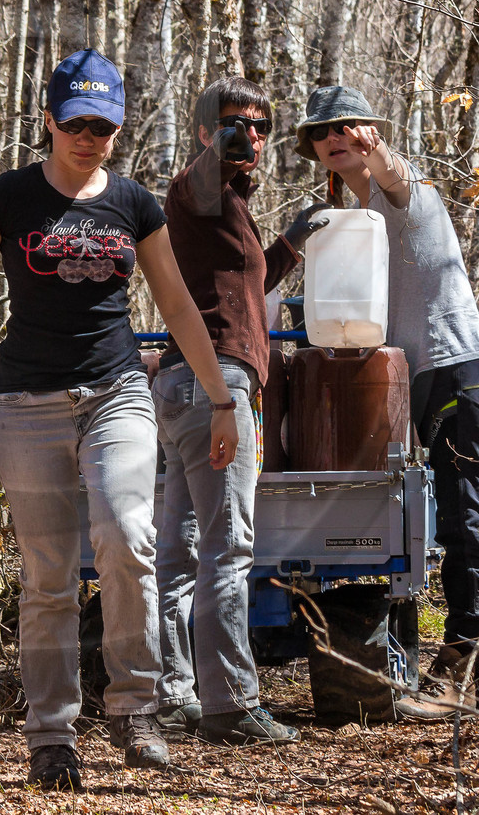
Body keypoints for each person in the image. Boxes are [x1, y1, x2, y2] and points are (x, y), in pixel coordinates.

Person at [0, 49, 241, 791]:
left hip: (117, 390)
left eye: (104, 125)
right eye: (76, 122)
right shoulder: (6, 199)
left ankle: (135, 706)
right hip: (27, 402)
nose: (90, 137)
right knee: (49, 576)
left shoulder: (134, 204)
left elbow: (179, 306)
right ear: (50, 121)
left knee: (127, 536)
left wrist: (223, 401)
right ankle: (51, 735)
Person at [295, 85, 479, 716]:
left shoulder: (404, 192)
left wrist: (378, 148)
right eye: (322, 132)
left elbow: (392, 171)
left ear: (369, 131)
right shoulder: (352, 218)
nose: (335, 138)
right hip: (423, 378)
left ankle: (459, 664)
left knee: (463, 519)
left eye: (347, 126)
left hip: (457, 369)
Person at [151, 77, 325, 745]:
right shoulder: (195, 188)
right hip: (214, 384)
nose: (250, 136)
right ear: (204, 132)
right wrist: (218, 151)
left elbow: (243, 283)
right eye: (234, 125)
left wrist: (293, 238)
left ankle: (175, 696)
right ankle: (232, 704)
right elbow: (194, 180)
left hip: (187, 386)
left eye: (260, 126)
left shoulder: (228, 207)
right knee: (228, 549)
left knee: (182, 551)